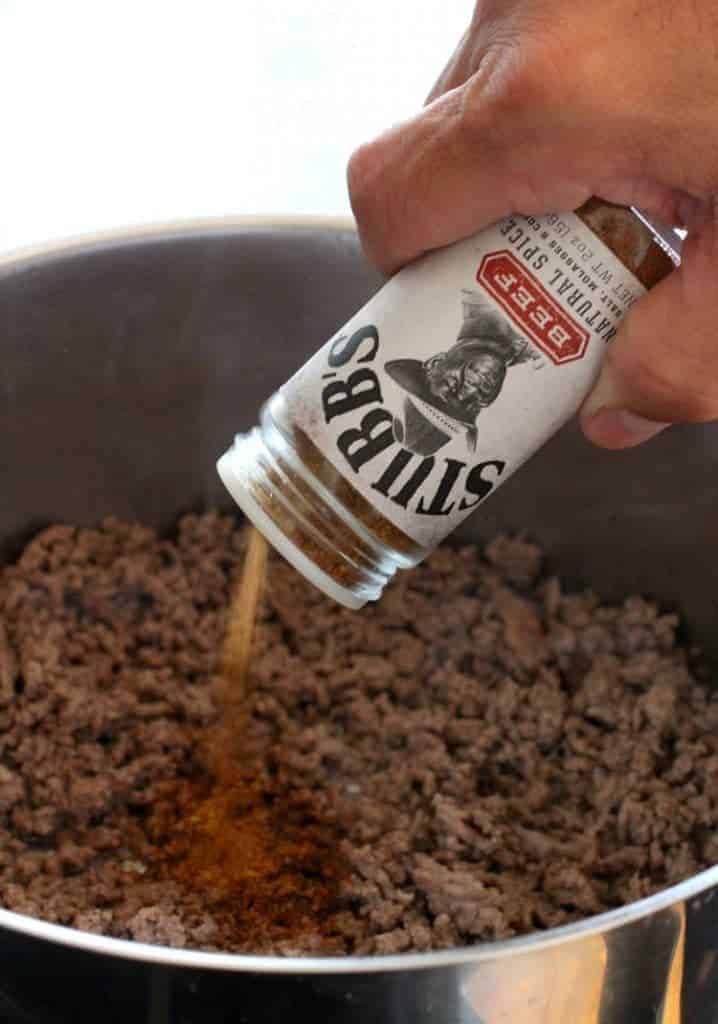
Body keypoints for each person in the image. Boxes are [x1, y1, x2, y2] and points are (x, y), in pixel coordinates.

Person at [346, 0, 718, 451]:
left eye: (448, 389)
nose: (468, 394)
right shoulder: (546, 361)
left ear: (437, 361)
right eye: (468, 407)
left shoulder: (471, 297)